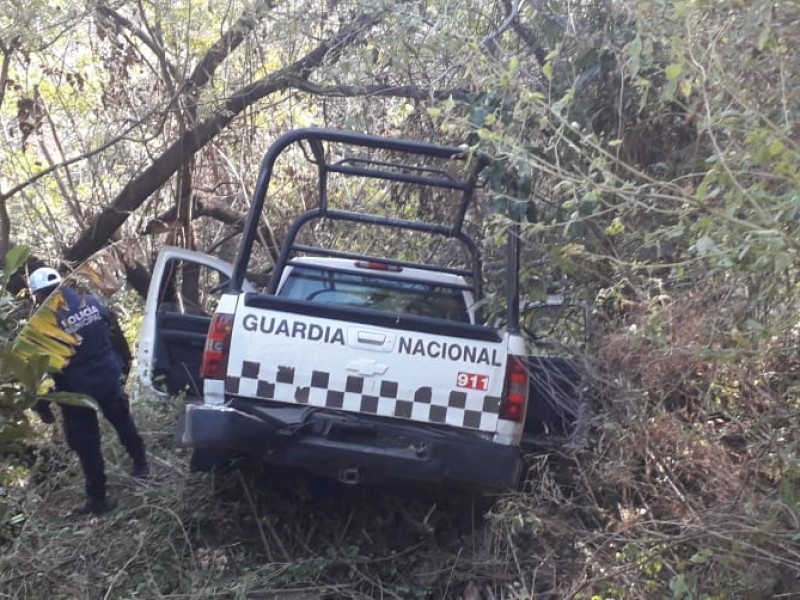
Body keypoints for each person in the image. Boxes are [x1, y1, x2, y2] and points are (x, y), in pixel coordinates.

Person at [28, 266, 149, 515]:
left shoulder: (42, 326)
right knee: (123, 421)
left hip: (76, 391)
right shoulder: (91, 302)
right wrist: (123, 366)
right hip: (107, 377)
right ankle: (142, 465)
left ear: (38, 295)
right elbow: (114, 334)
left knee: (87, 445)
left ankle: (98, 499)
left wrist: (42, 407)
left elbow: (40, 372)